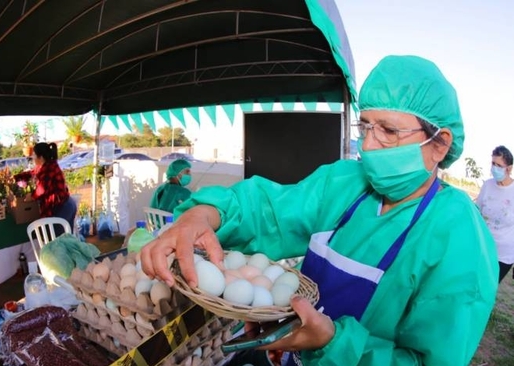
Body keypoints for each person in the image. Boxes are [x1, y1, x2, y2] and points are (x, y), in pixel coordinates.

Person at [140, 56, 498, 365]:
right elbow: (269, 210)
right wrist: (203, 215)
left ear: (439, 144)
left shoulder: (457, 234)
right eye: (366, 126)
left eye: (387, 130)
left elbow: (429, 361)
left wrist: (332, 344)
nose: (369, 146)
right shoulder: (344, 183)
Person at [15, 142, 77, 233]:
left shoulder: (49, 168)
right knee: (65, 240)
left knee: (60, 241)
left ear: (41, 157)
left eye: (34, 155)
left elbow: (42, 189)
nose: (32, 157)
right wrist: (16, 177)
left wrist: (31, 196)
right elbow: (32, 173)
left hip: (61, 207)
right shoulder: (43, 166)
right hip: (64, 205)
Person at [476, 145, 514, 283]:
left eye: (499, 165)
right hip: (483, 248)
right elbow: (477, 213)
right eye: (493, 163)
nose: (494, 168)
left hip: (503, 255)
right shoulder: (487, 185)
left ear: (508, 168)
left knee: (488, 288)